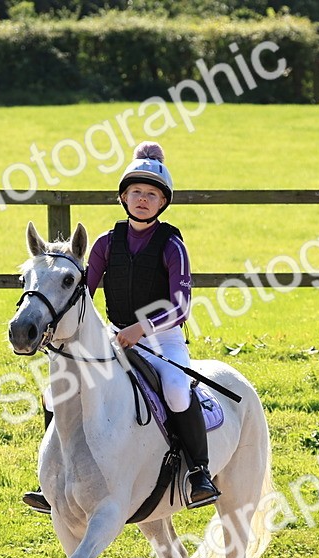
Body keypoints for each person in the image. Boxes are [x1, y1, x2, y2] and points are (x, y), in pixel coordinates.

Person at [23, 141, 220, 513]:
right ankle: (53, 478)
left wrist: (140, 329)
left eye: (151, 194)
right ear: (123, 198)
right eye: (136, 192)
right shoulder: (104, 243)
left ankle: (199, 473)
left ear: (163, 202)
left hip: (162, 340)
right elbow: (81, 293)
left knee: (177, 390)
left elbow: (181, 306)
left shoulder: (172, 245)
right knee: (53, 393)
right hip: (113, 338)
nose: (142, 199)